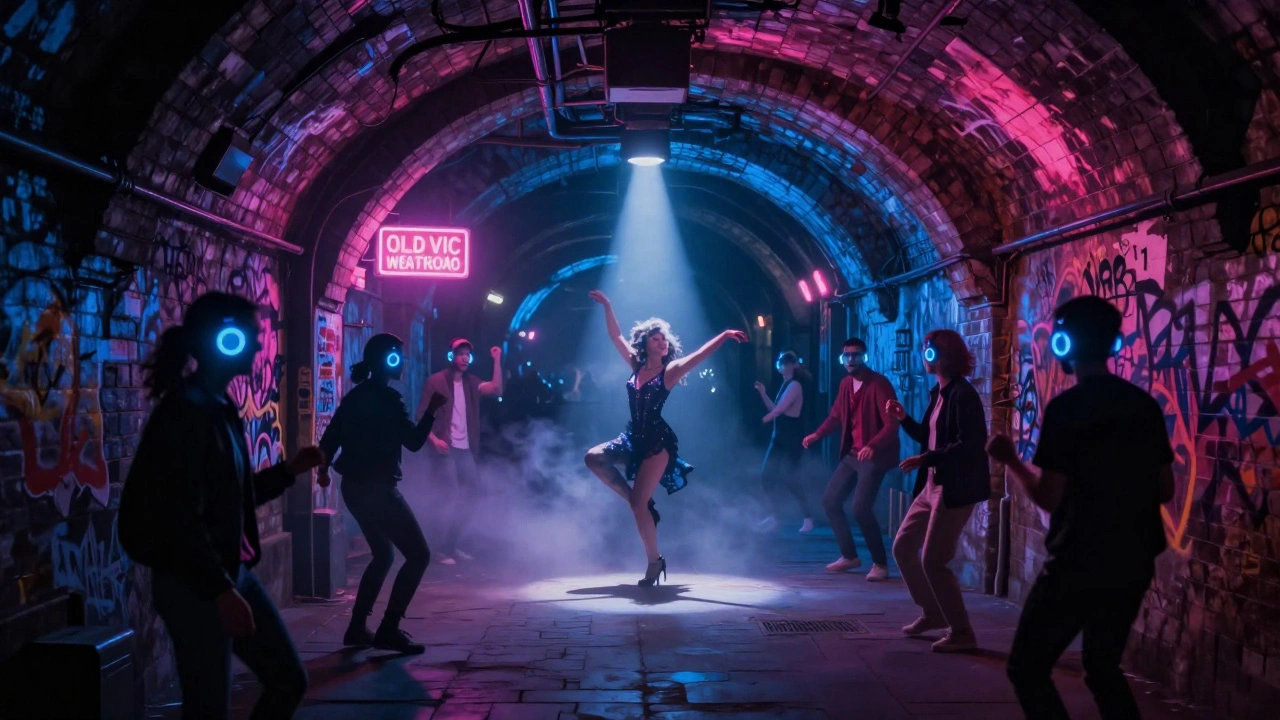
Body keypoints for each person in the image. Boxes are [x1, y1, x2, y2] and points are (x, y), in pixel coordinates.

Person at [118, 292, 324, 719]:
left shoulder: (218, 407)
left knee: (287, 679)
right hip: (196, 584)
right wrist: (220, 590)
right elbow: (178, 517)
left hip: (228, 573)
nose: (256, 346)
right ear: (223, 341)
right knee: (208, 707)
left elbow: (231, 494)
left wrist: (289, 471)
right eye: (248, 336)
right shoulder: (185, 414)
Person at [987, 295, 1175, 719]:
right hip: (1133, 559)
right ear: (1114, 344)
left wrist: (1010, 460)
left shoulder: (1066, 410)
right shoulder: (1142, 406)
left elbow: (1050, 497)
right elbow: (1164, 489)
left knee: (1027, 667)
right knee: (1102, 668)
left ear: (1063, 343)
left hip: (1079, 562)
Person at [583, 289, 748, 586]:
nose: (661, 341)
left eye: (664, 338)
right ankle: (641, 502)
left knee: (637, 505)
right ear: (646, 342)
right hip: (632, 435)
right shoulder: (635, 363)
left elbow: (699, 355)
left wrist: (724, 335)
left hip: (656, 443)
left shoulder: (669, 370)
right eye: (655, 337)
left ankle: (654, 562)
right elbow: (615, 336)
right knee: (593, 458)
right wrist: (608, 305)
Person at [318, 333, 448, 654]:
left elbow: (330, 437)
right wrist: (431, 410)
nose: (402, 362)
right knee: (419, 555)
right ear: (385, 361)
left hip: (354, 488)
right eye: (397, 357)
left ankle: (357, 627)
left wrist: (322, 470)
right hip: (379, 490)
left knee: (384, 554)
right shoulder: (389, 400)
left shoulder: (355, 396)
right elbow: (415, 442)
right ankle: (388, 628)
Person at [886, 329, 990, 652]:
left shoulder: (963, 395)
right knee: (903, 547)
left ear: (939, 356)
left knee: (933, 560)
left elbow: (968, 446)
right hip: (931, 484)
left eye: (926, 350)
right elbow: (930, 437)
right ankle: (932, 613)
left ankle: (962, 632)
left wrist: (924, 459)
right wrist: (904, 419)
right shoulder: (939, 394)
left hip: (954, 488)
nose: (923, 356)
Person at [803, 337, 899, 581]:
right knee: (830, 501)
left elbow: (891, 424)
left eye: (856, 355)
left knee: (860, 508)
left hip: (873, 456)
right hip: (852, 455)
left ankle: (880, 564)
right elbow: (836, 415)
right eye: (847, 355)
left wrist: (873, 445)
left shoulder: (879, 384)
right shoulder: (846, 384)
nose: (851, 359)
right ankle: (849, 556)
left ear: (864, 357)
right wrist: (817, 434)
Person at [420, 337, 503, 564]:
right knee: (450, 495)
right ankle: (437, 548)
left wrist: (497, 359)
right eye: (460, 354)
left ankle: (450, 545)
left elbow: (496, 388)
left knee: (473, 494)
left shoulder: (472, 383)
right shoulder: (436, 382)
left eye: (468, 354)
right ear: (452, 356)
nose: (465, 358)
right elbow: (421, 417)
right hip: (446, 448)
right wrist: (435, 440)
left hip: (465, 450)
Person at [752, 351, 815, 534]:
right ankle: (774, 517)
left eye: (783, 364)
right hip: (778, 438)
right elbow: (775, 407)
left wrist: (767, 417)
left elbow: (779, 410)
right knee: (766, 476)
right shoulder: (786, 384)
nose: (780, 367)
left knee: (791, 478)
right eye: (779, 363)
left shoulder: (795, 385)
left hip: (792, 439)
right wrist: (763, 394)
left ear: (791, 366)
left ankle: (808, 518)